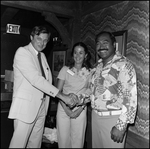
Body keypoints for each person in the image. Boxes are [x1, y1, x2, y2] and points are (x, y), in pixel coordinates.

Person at [8, 25, 79, 148]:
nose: (42, 43)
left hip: (41, 108)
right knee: (18, 145)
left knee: (35, 144)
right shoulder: (23, 52)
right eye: (39, 39)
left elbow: (47, 82)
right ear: (31, 37)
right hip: (25, 109)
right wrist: (63, 96)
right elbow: (36, 80)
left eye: (45, 40)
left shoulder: (42, 56)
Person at [89, 31, 137, 148]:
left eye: (105, 43)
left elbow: (130, 97)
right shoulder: (96, 66)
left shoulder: (124, 65)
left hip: (113, 119)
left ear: (114, 45)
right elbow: (93, 92)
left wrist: (121, 125)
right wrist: (78, 99)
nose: (101, 46)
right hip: (95, 117)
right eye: (98, 43)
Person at [56, 42, 92, 148]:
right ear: (72, 55)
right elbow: (58, 92)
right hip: (63, 108)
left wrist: (80, 109)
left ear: (86, 55)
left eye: (81, 53)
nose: (78, 55)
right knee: (63, 140)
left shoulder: (90, 72)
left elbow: (90, 92)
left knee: (78, 140)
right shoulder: (65, 70)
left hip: (80, 108)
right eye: (75, 52)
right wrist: (67, 110)